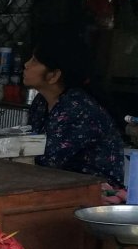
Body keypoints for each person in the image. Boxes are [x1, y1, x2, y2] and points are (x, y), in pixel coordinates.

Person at [24, 37, 125, 189]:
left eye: (35, 61)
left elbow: (46, 161)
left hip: (97, 195)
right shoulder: (41, 102)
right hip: (56, 185)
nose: (26, 64)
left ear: (54, 76)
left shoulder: (78, 109)